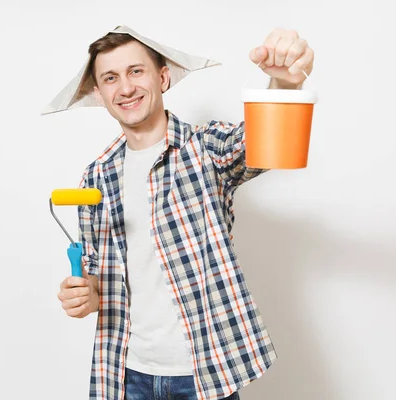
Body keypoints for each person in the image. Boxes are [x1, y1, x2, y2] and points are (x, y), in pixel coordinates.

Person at [56, 26, 314, 400]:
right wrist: (86, 294)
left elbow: (263, 146)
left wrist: (284, 85)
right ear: (100, 94)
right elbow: (98, 276)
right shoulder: (95, 177)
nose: (125, 87)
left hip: (203, 375)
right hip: (126, 374)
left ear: (162, 77)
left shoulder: (205, 147)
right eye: (111, 78)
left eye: (135, 71)